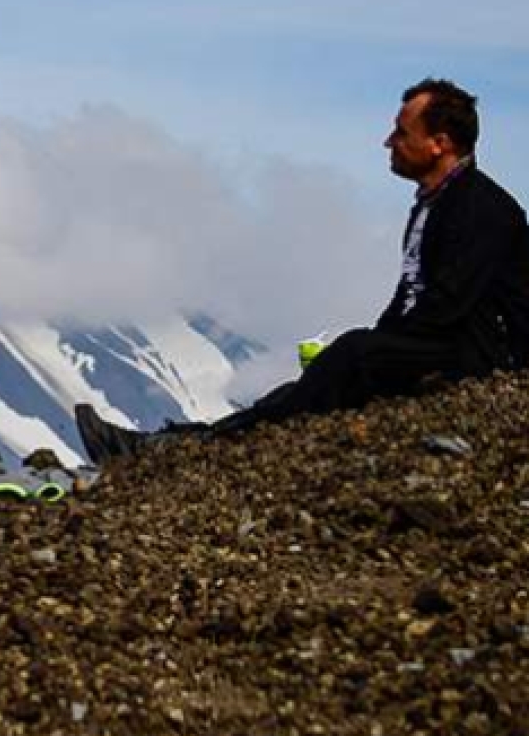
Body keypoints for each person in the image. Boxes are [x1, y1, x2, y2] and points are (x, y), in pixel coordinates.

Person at [78, 78, 529, 464]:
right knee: (324, 375)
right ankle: (182, 441)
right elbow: (417, 295)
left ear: (440, 143)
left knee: (348, 359)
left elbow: (448, 306)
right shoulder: (438, 204)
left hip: (481, 359)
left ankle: (181, 446)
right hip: (447, 345)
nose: (389, 142)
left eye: (401, 132)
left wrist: (379, 350)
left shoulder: (480, 209)